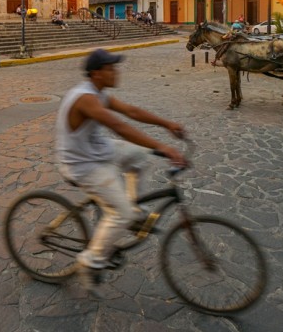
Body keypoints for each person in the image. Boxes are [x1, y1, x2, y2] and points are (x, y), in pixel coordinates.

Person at [56, 49, 187, 295]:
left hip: (100, 151)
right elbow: (120, 126)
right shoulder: (85, 98)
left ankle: (134, 213)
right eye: (111, 68)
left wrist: (167, 124)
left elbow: (132, 112)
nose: (116, 72)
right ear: (96, 73)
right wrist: (163, 147)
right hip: (82, 164)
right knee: (121, 214)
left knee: (142, 157)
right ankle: (90, 261)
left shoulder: (100, 93)